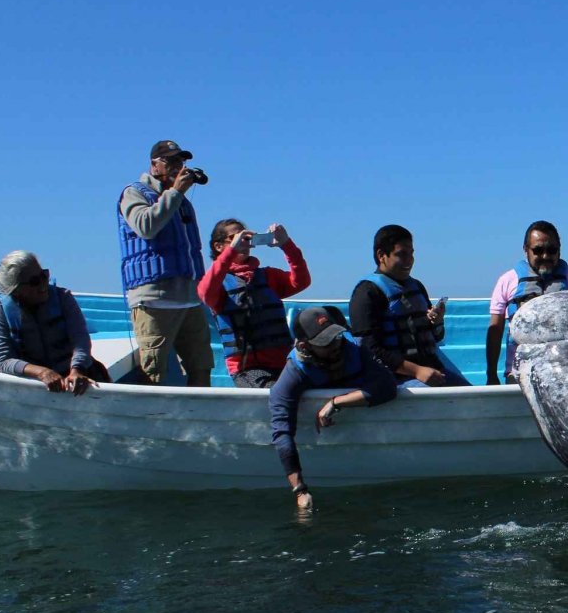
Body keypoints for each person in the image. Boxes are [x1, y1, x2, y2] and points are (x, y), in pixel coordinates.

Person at [268, 305, 399, 513]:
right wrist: (300, 491)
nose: (336, 344)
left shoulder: (354, 348)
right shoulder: (294, 372)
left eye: (335, 336)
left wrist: (337, 402)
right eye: (325, 342)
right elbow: (282, 433)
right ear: (304, 346)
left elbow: (388, 386)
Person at [117, 139, 214, 385]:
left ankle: (198, 419)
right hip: (154, 301)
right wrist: (174, 192)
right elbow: (145, 226)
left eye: (180, 161)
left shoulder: (181, 201)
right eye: (171, 161)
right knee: (154, 372)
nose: (178, 167)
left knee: (201, 367)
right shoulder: (134, 192)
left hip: (190, 300)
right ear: (154, 165)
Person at [349, 224, 469, 387]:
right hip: (396, 379)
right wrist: (416, 371)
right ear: (381, 255)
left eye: (411, 254)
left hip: (432, 370)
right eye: (401, 254)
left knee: (473, 399)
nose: (409, 260)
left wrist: (437, 322)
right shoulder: (367, 292)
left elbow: (435, 338)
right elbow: (368, 349)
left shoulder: (416, 287)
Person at [198, 219, 312, 388]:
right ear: (218, 246)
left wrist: (286, 244)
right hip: (247, 369)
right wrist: (230, 252)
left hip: (283, 363)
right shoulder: (218, 283)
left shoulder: (268, 276)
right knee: (278, 391)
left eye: (246, 237)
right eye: (234, 237)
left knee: (314, 385)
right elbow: (205, 293)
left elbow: (301, 281)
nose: (242, 242)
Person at [0, 251, 110, 394]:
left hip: (73, 373)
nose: (43, 283)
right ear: (16, 289)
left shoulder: (63, 297)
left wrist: (77, 370)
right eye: (34, 281)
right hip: (30, 380)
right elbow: (3, 359)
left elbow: (80, 340)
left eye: (44, 275)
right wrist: (42, 372)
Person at [485, 221, 568, 384]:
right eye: (538, 250)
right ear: (525, 250)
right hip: (520, 374)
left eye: (552, 250)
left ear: (559, 249)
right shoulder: (507, 281)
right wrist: (491, 374)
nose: (545, 256)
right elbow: (495, 330)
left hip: (565, 372)